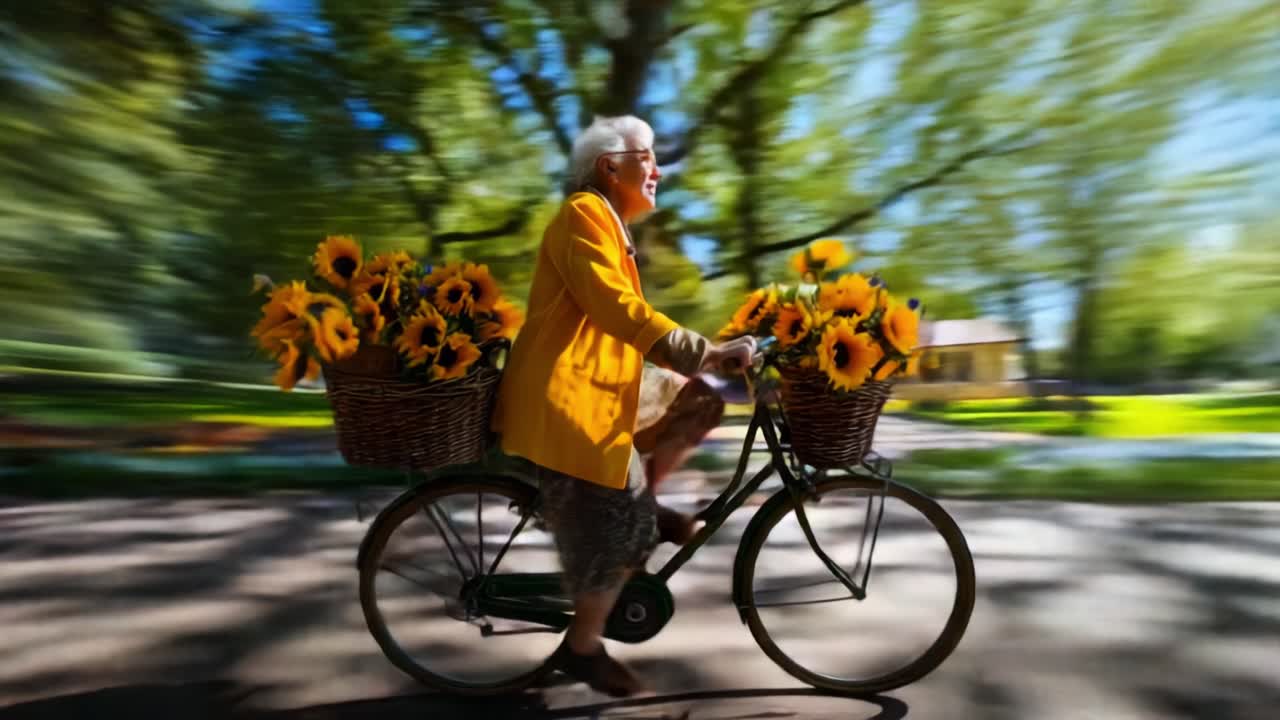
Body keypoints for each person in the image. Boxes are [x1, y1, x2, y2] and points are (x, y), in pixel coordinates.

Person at [490, 115, 755, 697]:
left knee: (700, 402)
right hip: (567, 398)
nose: (658, 169)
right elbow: (614, 309)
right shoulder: (583, 214)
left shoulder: (610, 226)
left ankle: (644, 505)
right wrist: (703, 351)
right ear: (611, 165)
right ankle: (582, 648)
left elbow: (618, 331)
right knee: (625, 527)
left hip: (604, 387)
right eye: (647, 156)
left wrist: (707, 367)